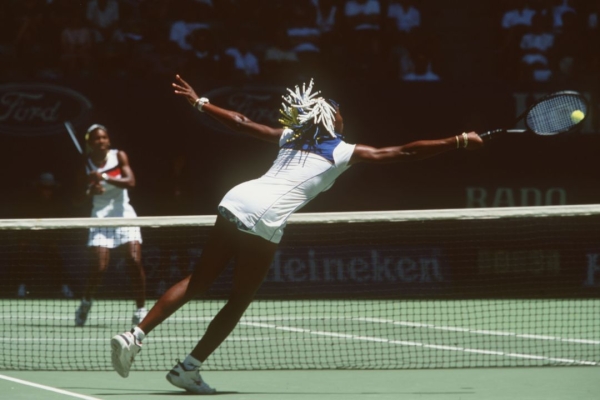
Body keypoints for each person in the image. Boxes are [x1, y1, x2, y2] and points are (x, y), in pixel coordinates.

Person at [109, 74, 484, 394]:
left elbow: (240, 122)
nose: (343, 117)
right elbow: (403, 153)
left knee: (198, 282)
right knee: (239, 299)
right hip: (267, 215)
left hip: (236, 198)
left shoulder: (290, 136)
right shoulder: (342, 150)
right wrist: (459, 140)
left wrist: (200, 103)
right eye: (340, 112)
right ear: (329, 115)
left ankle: (135, 335)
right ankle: (188, 368)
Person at [75, 124, 147, 327]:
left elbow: (131, 182)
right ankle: (86, 302)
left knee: (134, 261)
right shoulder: (85, 165)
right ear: (90, 143)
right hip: (99, 217)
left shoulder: (119, 156)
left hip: (124, 213)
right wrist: (90, 190)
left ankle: (141, 310)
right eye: (96, 139)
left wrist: (105, 177)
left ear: (109, 140)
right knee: (99, 266)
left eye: (104, 138)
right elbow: (77, 199)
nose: (101, 141)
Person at [10, 172, 74, 299]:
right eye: (44, 187)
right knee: (22, 253)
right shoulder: (29, 200)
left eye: (50, 188)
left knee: (54, 256)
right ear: (39, 188)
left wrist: (52, 239)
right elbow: (23, 220)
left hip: (48, 232)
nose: (47, 191)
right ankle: (20, 286)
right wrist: (24, 239)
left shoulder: (57, 201)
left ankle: (64, 286)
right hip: (28, 229)